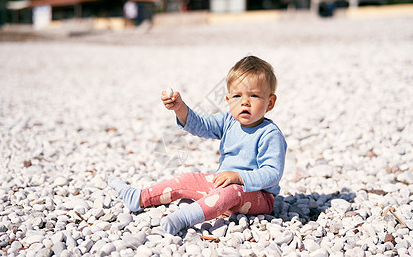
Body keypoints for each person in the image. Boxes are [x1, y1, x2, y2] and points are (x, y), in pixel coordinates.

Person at [108, 55, 287, 235]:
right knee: (188, 179)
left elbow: (272, 173)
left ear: (270, 103)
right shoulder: (228, 121)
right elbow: (201, 125)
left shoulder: (269, 134)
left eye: (254, 95)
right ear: (228, 99)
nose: (244, 101)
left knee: (231, 192)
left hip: (258, 196)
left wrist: (239, 177)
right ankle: (139, 197)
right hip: (224, 186)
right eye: (237, 95)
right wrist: (180, 108)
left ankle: (185, 218)